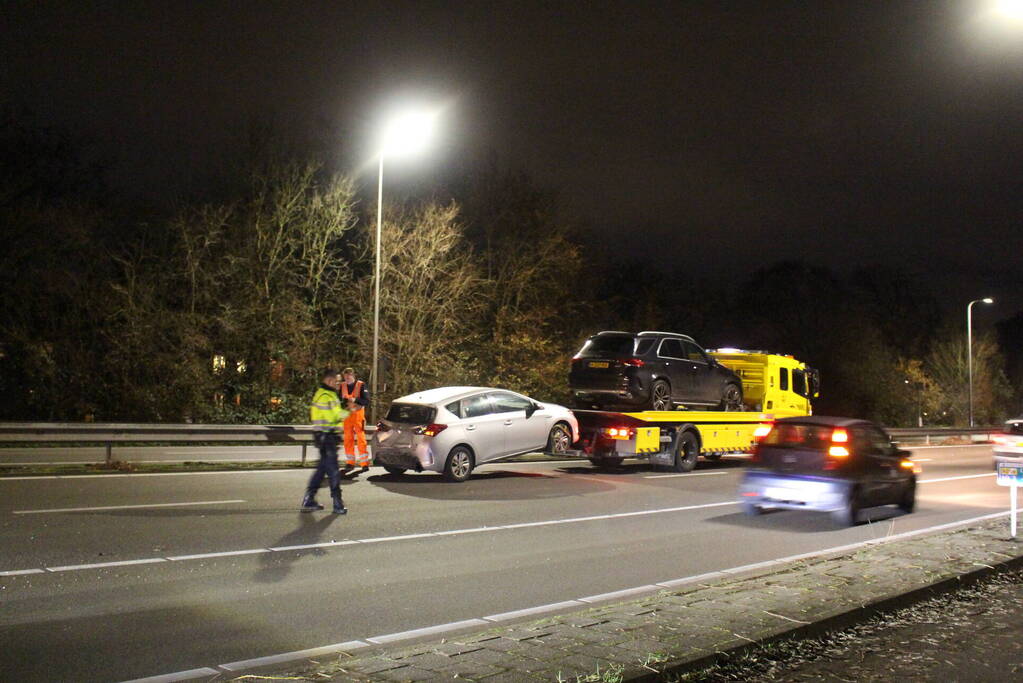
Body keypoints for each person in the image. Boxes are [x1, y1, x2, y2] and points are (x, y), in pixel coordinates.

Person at [302, 368, 350, 514]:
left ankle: (309, 499)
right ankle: (337, 503)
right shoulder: (326, 395)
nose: (339, 384)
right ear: (329, 380)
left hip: (324, 437)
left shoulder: (325, 394)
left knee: (321, 470)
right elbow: (332, 417)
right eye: (337, 381)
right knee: (334, 471)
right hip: (326, 436)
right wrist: (348, 411)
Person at [340, 366, 371, 470]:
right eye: (345, 377)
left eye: (348, 377)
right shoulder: (342, 386)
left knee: (361, 439)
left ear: (353, 376)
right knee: (348, 440)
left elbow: (366, 401)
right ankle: (350, 462)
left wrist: (355, 400)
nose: (347, 380)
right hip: (347, 417)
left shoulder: (361, 385)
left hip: (358, 416)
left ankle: (364, 464)